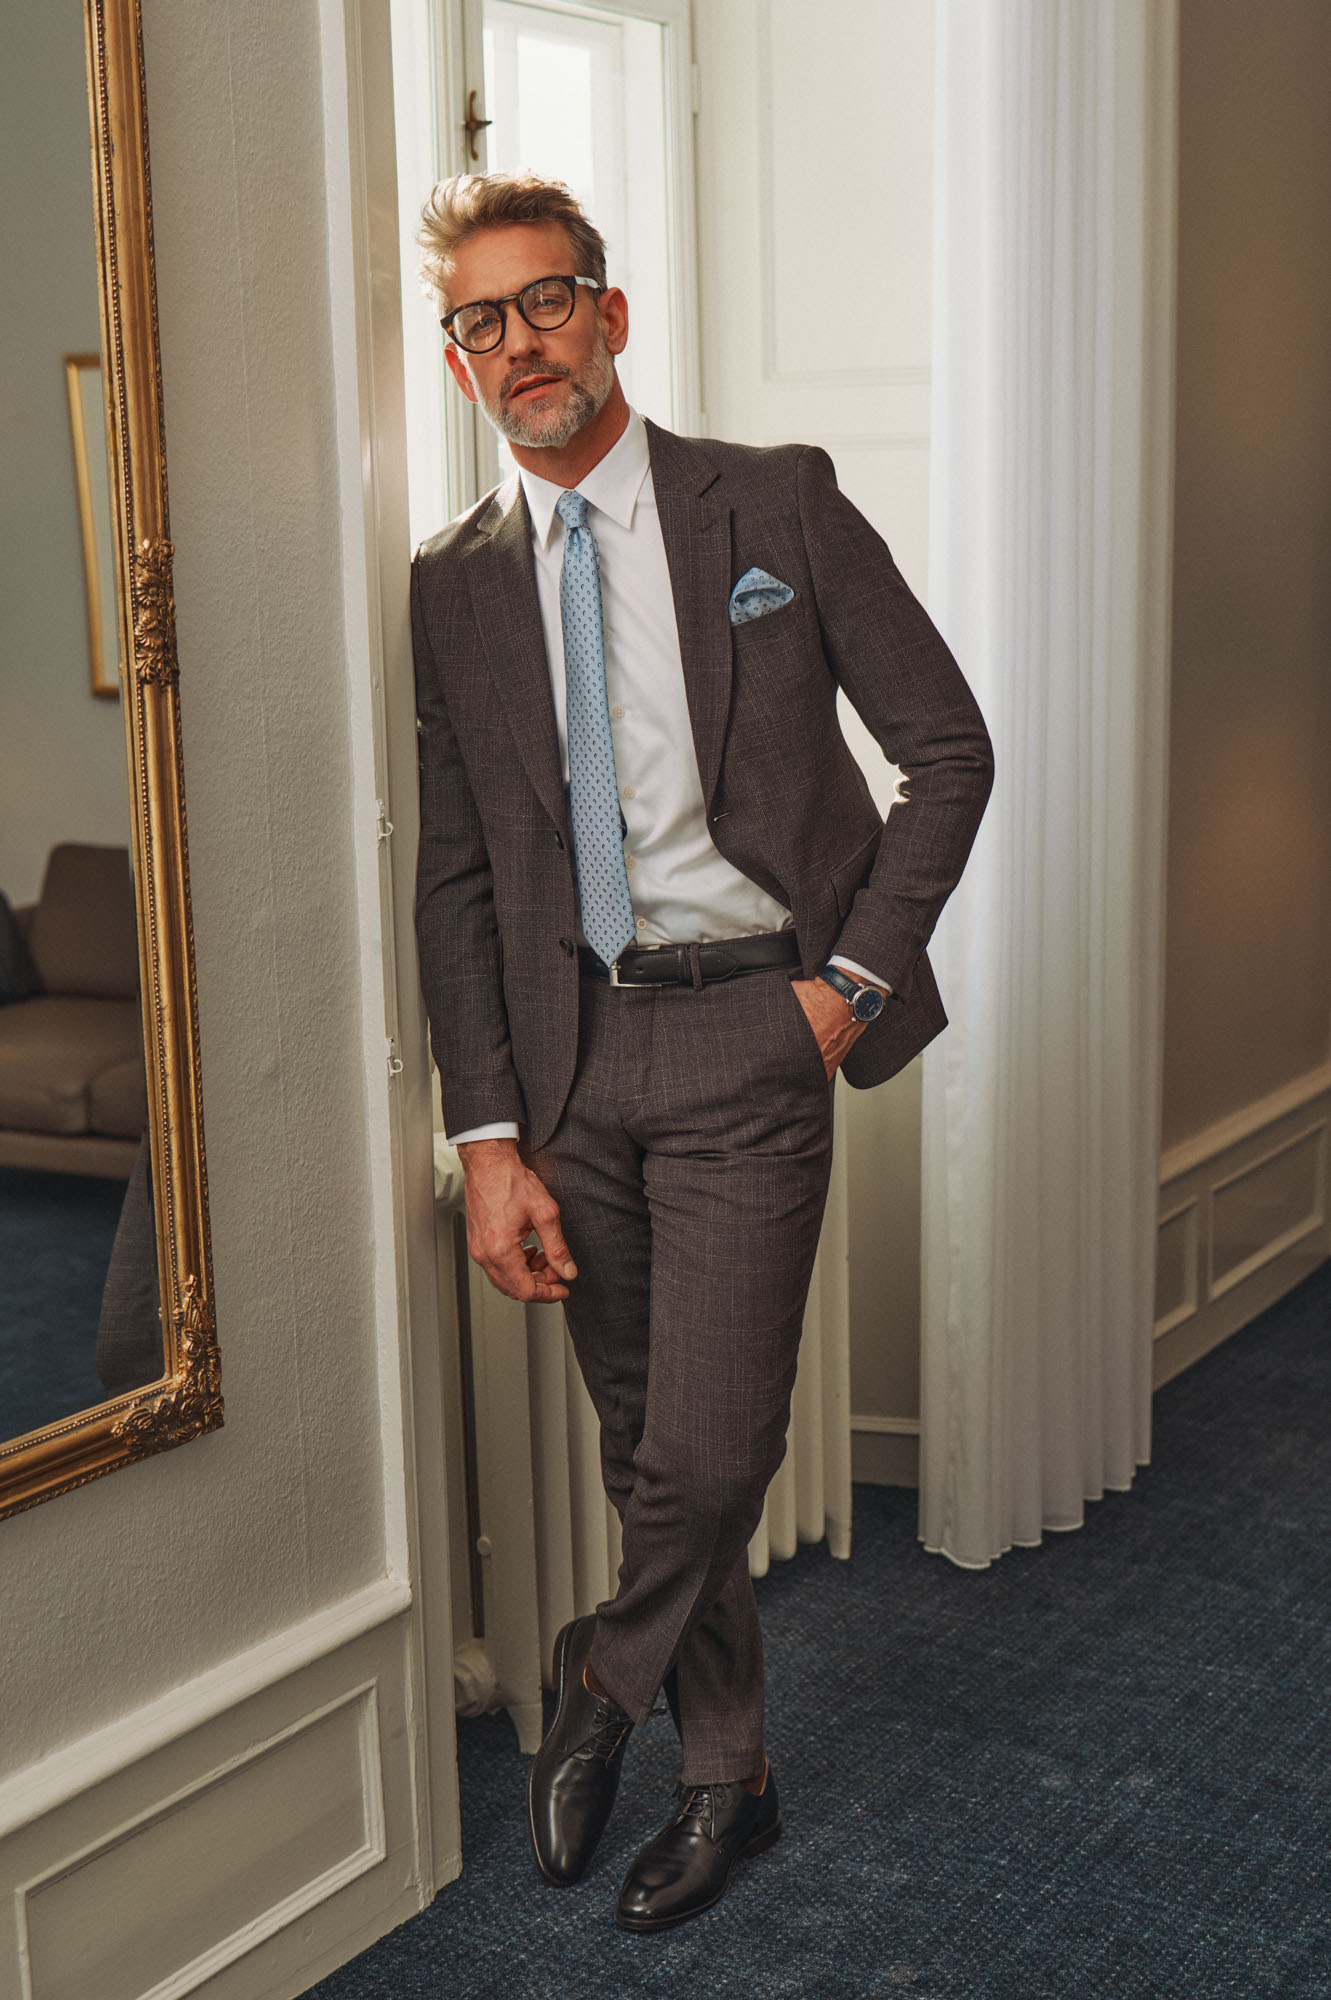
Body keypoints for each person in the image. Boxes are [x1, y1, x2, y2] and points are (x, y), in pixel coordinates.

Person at [410, 171, 993, 1933]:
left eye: (546, 300)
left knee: (714, 1445)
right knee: (648, 1441)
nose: (519, 342)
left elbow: (946, 750)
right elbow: (451, 880)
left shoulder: (772, 503)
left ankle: (597, 1678)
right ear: (458, 364)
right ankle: (722, 1776)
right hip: (569, 1068)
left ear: (613, 314)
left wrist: (851, 988)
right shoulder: (449, 589)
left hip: (757, 1028)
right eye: (480, 321)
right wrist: (489, 1138)